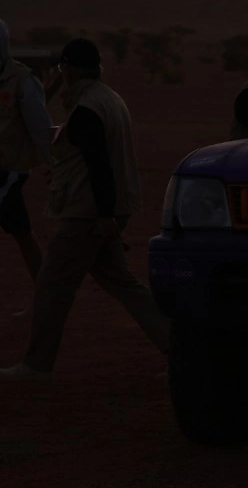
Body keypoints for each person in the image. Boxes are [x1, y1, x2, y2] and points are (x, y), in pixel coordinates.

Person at [3, 38, 169, 378]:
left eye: (63, 69)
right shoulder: (111, 100)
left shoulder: (86, 109)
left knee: (52, 284)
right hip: (106, 209)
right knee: (124, 284)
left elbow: (99, 165)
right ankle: (183, 349)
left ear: (70, 69)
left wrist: (104, 215)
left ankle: (36, 364)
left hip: (87, 213)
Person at [0, 20, 55, 281]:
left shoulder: (22, 80)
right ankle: (44, 297)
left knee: (22, 232)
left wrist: (54, 166)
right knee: (22, 232)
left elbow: (40, 128)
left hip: (9, 170)